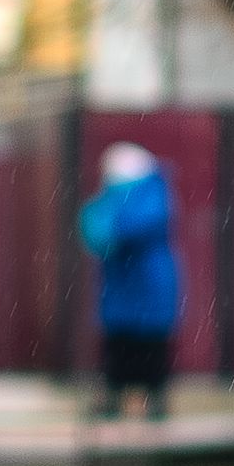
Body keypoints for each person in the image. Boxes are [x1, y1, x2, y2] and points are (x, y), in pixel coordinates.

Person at [79, 140, 185, 422]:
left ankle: (153, 398)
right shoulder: (129, 196)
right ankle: (116, 396)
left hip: (147, 287)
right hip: (124, 289)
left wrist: (109, 226)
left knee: (150, 347)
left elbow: (127, 228)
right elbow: (100, 229)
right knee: (120, 346)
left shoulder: (149, 196)